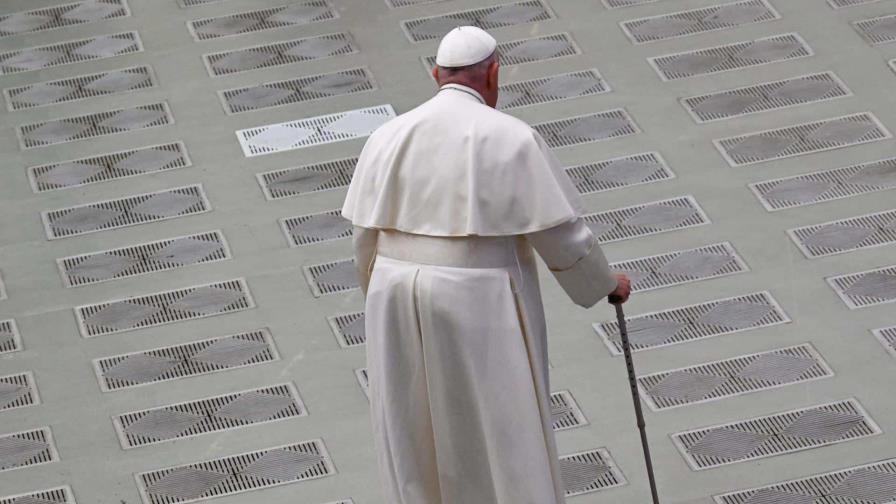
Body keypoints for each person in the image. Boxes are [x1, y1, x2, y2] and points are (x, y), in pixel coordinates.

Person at [341, 26, 632, 504]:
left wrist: (377, 294)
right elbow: (561, 234)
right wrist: (605, 284)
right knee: (500, 426)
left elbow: (364, 237)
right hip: (478, 295)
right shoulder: (511, 137)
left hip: (392, 289)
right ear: (494, 73)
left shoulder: (387, 136)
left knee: (412, 426)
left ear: (435, 73)